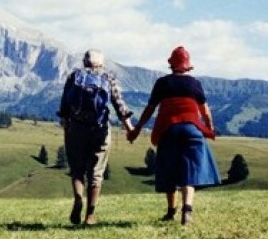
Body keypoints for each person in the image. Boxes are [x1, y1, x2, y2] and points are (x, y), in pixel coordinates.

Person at [128, 46, 221, 225]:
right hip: (192, 130)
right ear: (187, 66)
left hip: (169, 129)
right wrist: (210, 127)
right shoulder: (195, 84)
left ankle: (171, 211)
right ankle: (187, 210)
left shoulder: (162, 83)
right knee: (190, 172)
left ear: (171, 65)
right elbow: (205, 111)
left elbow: (150, 108)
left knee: (169, 170)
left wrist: (138, 128)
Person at [58, 49, 134, 226]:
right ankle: (90, 215)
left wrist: (67, 125)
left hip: (76, 129)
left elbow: (64, 106)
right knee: (96, 172)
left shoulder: (74, 77)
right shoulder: (108, 77)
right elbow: (119, 105)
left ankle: (78, 199)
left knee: (77, 170)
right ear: (101, 63)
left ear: (85, 61)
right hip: (100, 130)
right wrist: (130, 129)